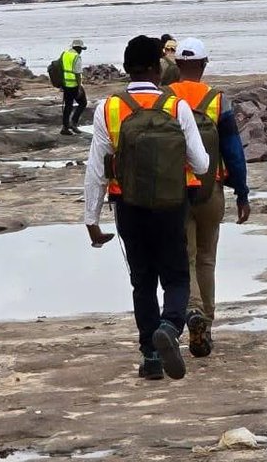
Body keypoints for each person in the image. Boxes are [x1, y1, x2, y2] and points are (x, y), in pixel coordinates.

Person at [82, 36, 209, 382]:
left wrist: (91, 220)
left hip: (128, 205)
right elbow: (200, 164)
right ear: (157, 68)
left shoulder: (108, 108)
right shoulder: (176, 106)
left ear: (126, 70)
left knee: (142, 281)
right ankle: (169, 325)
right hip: (171, 204)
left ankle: (151, 357)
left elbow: (96, 168)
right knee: (176, 276)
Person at [167, 37, 251, 359]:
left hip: (174, 192)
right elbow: (233, 151)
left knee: (183, 258)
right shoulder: (218, 100)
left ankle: (192, 312)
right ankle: (208, 323)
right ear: (203, 65)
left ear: (177, 66)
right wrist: (242, 193)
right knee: (206, 258)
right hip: (210, 189)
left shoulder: (166, 98)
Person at [58, 38, 88, 135]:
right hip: (73, 84)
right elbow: (77, 74)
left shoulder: (65, 54)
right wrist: (79, 87)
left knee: (68, 105)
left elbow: (60, 68)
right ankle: (73, 123)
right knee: (83, 103)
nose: (81, 52)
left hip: (65, 83)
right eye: (81, 49)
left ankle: (65, 127)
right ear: (78, 48)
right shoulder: (76, 57)